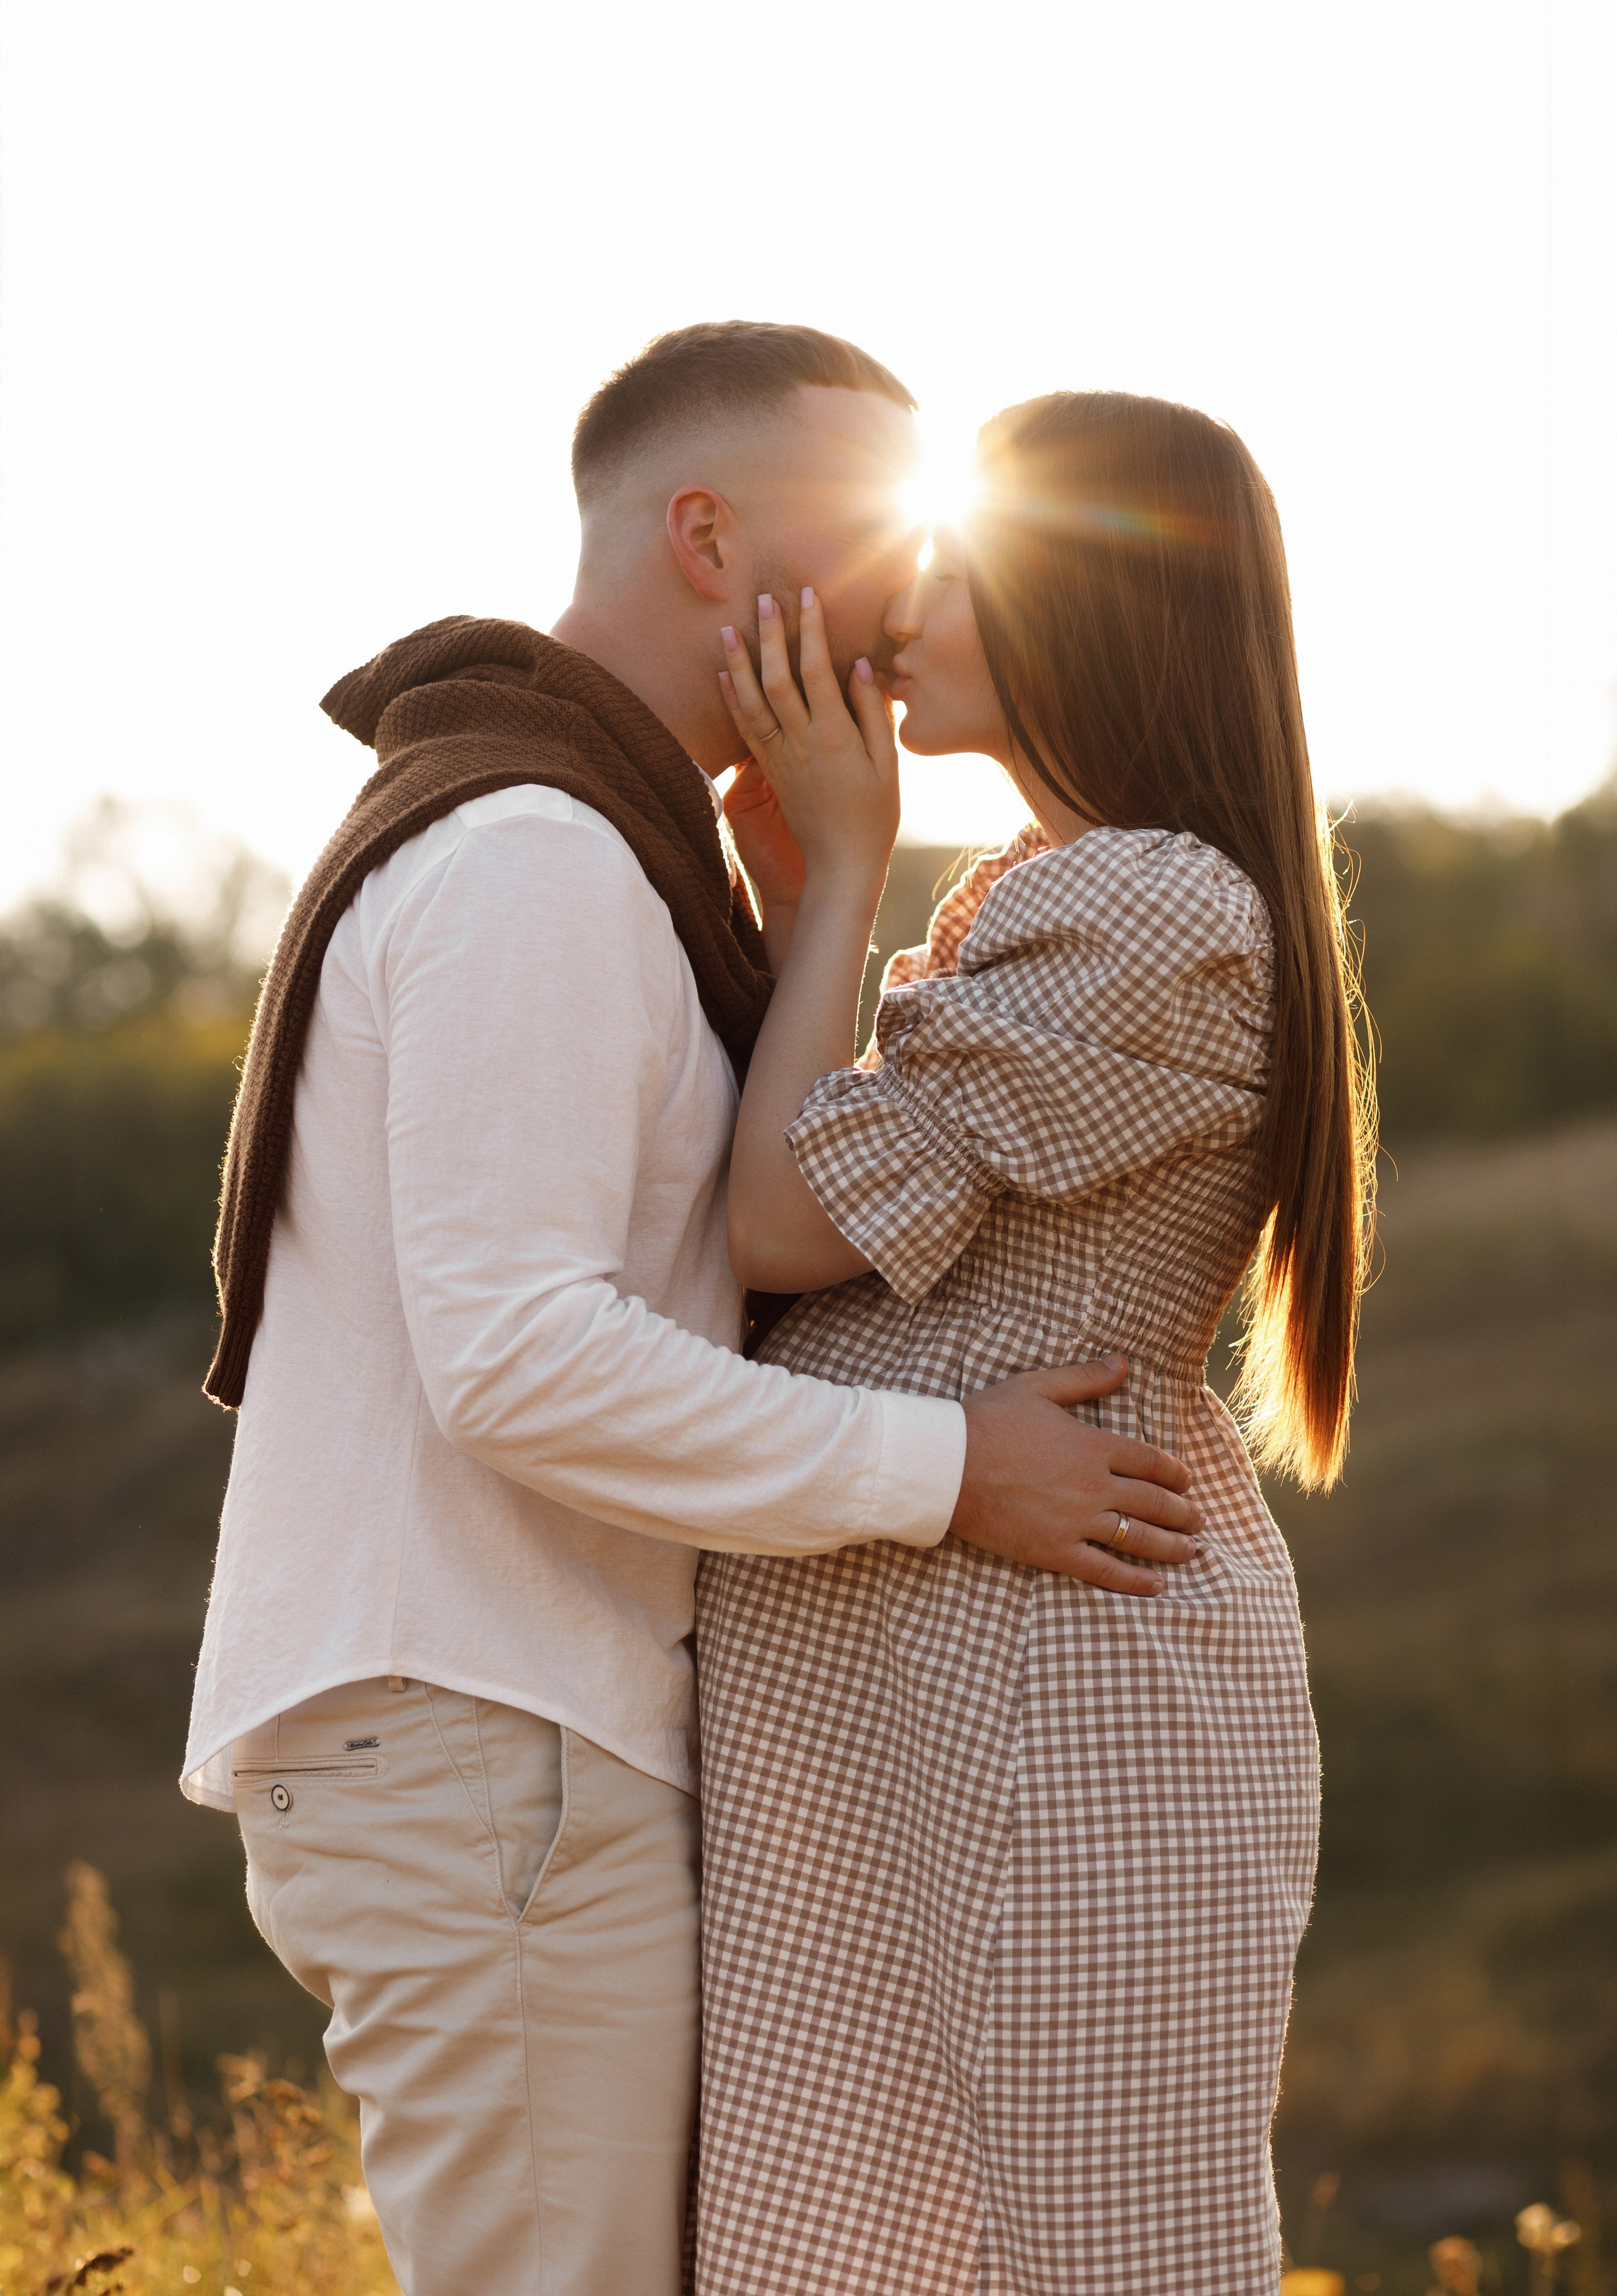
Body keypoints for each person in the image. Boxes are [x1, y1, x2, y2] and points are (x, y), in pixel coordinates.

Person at [179, 329, 1202, 2296]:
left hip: (505, 1735)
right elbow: (518, 1350)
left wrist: (827, 897)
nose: (907, 591)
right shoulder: (540, 864)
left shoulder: (599, 854)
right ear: (711, 537)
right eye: (869, 532)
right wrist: (948, 1470)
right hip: (488, 1738)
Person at [695, 389, 1375, 2294]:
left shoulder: (1145, 908)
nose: (897, 596)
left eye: (958, 561)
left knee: (1067, 2247)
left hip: (1045, 1698)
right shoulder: (1058, 896)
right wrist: (810, 881)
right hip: (969, 1674)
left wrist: (840, 873)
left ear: (1088, 607)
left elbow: (778, 1224)